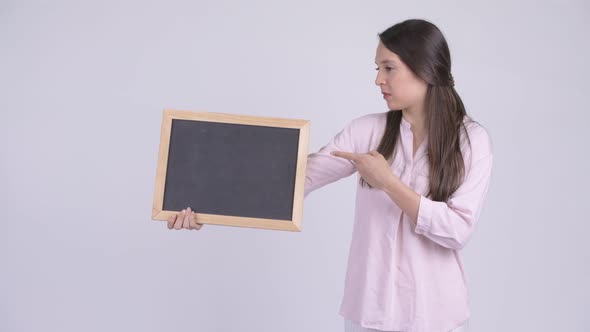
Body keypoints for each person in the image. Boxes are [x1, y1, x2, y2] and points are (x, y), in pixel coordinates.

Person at [168, 18, 493, 332]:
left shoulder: (471, 141)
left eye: (389, 68)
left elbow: (457, 230)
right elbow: (297, 179)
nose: (379, 80)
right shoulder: (368, 130)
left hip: (436, 318)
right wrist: (204, 202)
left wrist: (389, 183)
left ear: (424, 68)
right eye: (377, 69)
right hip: (368, 315)